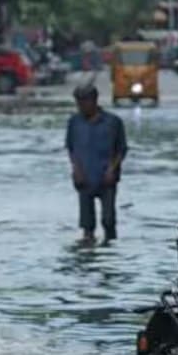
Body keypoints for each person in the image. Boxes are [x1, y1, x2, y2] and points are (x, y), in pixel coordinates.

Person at [65, 84, 128, 244]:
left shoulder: (113, 122)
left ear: (94, 100)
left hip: (106, 177)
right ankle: (88, 246)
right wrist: (76, 170)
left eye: (84, 102)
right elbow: (71, 148)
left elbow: (121, 150)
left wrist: (112, 169)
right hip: (84, 177)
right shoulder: (74, 122)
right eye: (78, 103)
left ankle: (109, 246)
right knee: (87, 224)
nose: (81, 106)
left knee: (108, 220)